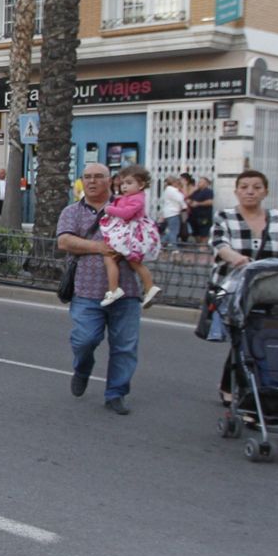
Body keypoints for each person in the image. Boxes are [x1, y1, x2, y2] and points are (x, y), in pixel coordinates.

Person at [210, 169, 278, 403]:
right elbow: (219, 243)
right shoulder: (225, 216)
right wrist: (236, 258)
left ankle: (235, 386)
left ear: (265, 192)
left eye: (257, 187)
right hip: (234, 291)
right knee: (242, 339)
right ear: (237, 191)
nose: (250, 191)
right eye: (244, 187)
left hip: (271, 290)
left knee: (262, 336)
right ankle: (247, 395)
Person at [57, 163, 141, 415]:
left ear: (110, 180)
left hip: (126, 291)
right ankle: (82, 368)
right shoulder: (72, 211)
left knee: (125, 347)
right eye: (87, 177)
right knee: (85, 340)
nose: (92, 181)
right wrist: (101, 248)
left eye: (98, 177)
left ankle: (116, 393)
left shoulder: (128, 208)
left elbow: (145, 233)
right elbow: (64, 241)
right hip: (86, 291)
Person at [98, 163, 162, 308]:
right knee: (128, 261)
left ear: (141, 185)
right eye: (122, 183)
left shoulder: (137, 198)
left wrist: (110, 209)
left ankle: (116, 290)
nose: (124, 186)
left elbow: (127, 213)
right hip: (128, 233)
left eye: (129, 183)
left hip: (131, 234)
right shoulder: (131, 197)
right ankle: (147, 288)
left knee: (113, 258)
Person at [158, 175, 187, 247]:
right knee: (174, 231)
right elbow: (180, 199)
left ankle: (161, 243)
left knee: (172, 230)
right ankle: (174, 247)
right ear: (174, 183)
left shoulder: (167, 190)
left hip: (168, 213)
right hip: (173, 213)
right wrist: (184, 207)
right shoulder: (172, 190)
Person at [187, 175, 215, 243]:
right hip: (194, 216)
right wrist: (190, 201)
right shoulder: (196, 191)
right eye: (198, 182)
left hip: (204, 216)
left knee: (204, 232)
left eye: (201, 182)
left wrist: (198, 203)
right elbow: (188, 197)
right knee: (195, 232)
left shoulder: (208, 191)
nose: (198, 183)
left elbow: (210, 202)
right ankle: (199, 244)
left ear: (206, 183)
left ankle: (203, 246)